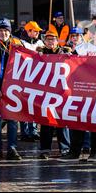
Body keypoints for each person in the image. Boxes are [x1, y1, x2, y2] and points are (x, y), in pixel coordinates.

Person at [57, 24, 96, 163]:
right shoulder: (85, 47)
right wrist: (69, 56)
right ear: (94, 35)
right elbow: (71, 60)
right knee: (78, 120)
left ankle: (95, 153)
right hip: (81, 89)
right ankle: (74, 152)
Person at [0, 18, 23, 161]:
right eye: (1, 30)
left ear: (10, 31)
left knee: (12, 120)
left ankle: (12, 148)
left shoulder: (17, 44)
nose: (3, 33)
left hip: (12, 89)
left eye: (6, 30)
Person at [36, 25, 72, 159]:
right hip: (45, 91)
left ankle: (65, 148)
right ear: (45, 41)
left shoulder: (63, 51)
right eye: (48, 40)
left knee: (62, 121)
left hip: (61, 91)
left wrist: (69, 55)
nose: (50, 42)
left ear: (57, 41)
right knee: (46, 121)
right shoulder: (40, 52)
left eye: (53, 40)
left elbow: (74, 60)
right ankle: (45, 149)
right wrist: (37, 54)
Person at [18, 21, 44, 142]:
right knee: (24, 104)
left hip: (37, 78)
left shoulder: (40, 43)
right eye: (35, 31)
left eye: (38, 31)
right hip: (24, 78)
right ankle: (24, 132)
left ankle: (33, 131)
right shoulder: (21, 43)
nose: (38, 33)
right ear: (28, 31)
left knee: (33, 104)